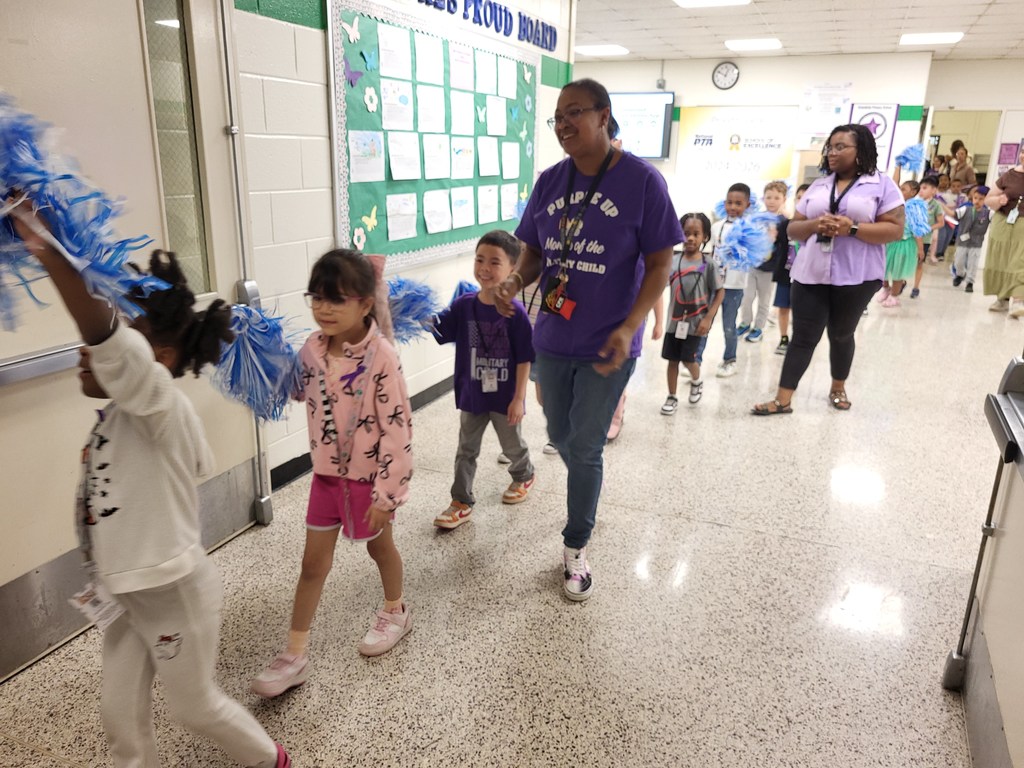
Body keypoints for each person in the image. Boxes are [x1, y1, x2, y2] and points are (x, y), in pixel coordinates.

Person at [9, 205, 290, 767]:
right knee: (120, 717)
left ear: (154, 360)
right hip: (124, 594)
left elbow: (107, 337)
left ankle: (272, 760)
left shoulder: (158, 403)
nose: (85, 356)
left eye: (113, 353)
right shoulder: (121, 414)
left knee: (194, 707)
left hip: (172, 593)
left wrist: (43, 246)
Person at [495, 77, 681, 601]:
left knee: (585, 445)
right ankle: (584, 492)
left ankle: (576, 546)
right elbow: (533, 252)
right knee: (560, 433)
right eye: (557, 117)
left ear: (604, 116)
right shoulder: (551, 181)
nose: (563, 124)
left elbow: (662, 261)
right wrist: (514, 279)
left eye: (574, 112)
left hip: (609, 342)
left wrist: (631, 324)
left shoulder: (642, 181)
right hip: (553, 335)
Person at [252, 250, 414, 697]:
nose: (323, 308)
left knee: (380, 550)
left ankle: (395, 610)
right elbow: (294, 389)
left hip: (370, 482)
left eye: (336, 299)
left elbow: (398, 429)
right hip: (326, 478)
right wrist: (260, 356)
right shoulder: (312, 349)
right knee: (312, 565)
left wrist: (387, 494)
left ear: (365, 304)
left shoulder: (382, 357)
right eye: (316, 298)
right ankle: (294, 654)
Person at [751, 123, 904, 415]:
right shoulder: (819, 186)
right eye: (830, 147)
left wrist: (853, 228)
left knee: (841, 334)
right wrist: (814, 225)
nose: (832, 153)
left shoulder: (882, 185)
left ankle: (837, 387)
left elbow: (895, 230)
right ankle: (783, 399)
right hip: (811, 273)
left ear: (861, 151)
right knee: (803, 337)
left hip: (857, 276)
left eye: (840, 147)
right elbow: (793, 229)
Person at [432, 231, 536, 529]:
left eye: (494, 262)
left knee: (511, 445)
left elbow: (524, 358)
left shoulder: (515, 312)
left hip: (504, 396)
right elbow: (442, 329)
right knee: (466, 449)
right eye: (479, 260)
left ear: (513, 269)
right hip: (473, 393)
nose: (484, 268)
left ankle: (524, 474)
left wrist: (518, 398)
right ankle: (461, 500)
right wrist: (419, 315)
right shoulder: (464, 305)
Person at [660, 212, 723, 413]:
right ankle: (672, 396)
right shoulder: (673, 260)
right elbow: (659, 285)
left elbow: (720, 291)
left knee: (689, 359)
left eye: (696, 234)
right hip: (674, 323)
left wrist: (708, 318)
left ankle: (697, 381)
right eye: (686, 233)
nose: (690, 238)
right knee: (672, 361)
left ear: (705, 237)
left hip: (696, 324)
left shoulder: (708, 264)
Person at [711, 183, 751, 377]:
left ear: (747, 205)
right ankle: (695, 358)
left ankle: (730, 359)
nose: (733, 207)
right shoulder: (716, 227)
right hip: (714, 283)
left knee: (729, 324)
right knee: (705, 321)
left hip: (734, 285)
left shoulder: (749, 230)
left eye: (738, 203)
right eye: (729, 202)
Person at [738, 181, 785, 343]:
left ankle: (758, 328)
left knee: (764, 301)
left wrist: (774, 238)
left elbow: (784, 245)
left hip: (770, 269)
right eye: (768, 197)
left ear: (784, 199)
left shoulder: (784, 221)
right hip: (752, 265)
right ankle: (745, 322)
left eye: (776, 198)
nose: (772, 201)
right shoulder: (757, 218)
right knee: (747, 297)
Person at [983, 144, 1024, 316]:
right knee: (999, 259)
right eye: (1023, 152)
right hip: (1003, 221)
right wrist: (998, 200)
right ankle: (1002, 299)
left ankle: (1018, 300)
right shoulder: (1010, 175)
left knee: (1020, 260)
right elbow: (988, 199)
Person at [878, 179, 924, 308]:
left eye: (904, 189)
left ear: (913, 192)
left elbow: (917, 230)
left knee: (898, 271)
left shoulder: (915, 208)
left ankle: (894, 296)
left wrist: (920, 249)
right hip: (891, 242)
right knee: (885, 268)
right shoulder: (897, 205)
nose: (900, 191)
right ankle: (886, 289)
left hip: (905, 243)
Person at [910, 176, 945, 297]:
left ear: (934, 190)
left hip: (925, 240)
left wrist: (929, 228)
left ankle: (916, 287)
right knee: (907, 261)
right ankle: (901, 282)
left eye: (925, 188)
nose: (921, 190)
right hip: (911, 238)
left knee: (919, 263)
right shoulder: (914, 202)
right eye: (920, 188)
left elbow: (941, 222)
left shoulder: (936, 205)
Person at [953, 185, 991, 292]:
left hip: (976, 243)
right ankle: (960, 274)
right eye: (975, 198)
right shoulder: (966, 209)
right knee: (958, 261)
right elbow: (954, 214)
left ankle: (970, 282)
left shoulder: (988, 213)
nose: (977, 201)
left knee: (973, 263)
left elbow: (997, 221)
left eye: (981, 199)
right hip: (962, 241)